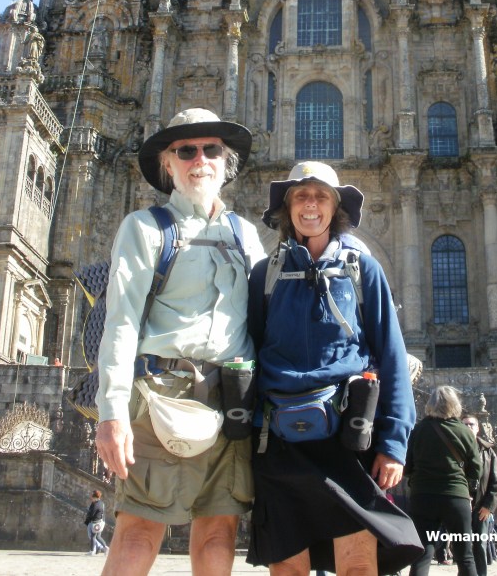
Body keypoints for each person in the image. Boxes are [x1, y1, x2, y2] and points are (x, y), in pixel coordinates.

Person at [95, 108, 266, 576]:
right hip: (159, 397)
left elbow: (267, 320)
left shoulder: (246, 236)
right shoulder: (145, 228)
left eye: (211, 149)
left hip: (232, 401)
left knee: (217, 537)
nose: (199, 159)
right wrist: (111, 413)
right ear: (168, 164)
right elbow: (122, 323)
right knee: (137, 534)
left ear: (225, 161)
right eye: (185, 150)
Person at [246, 161, 423, 575]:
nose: (311, 205)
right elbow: (249, 352)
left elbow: (393, 356)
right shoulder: (264, 275)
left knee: (358, 563)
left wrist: (393, 443)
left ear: (335, 207)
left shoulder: (363, 270)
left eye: (321, 196)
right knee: (287, 566)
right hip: (278, 437)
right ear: (287, 208)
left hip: (348, 434)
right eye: (301, 196)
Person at [405, 385, 481, 576]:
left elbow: (406, 466)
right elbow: (476, 469)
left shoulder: (419, 430)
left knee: (422, 554)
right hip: (456, 497)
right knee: (465, 556)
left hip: (423, 497)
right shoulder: (464, 431)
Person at [461, 415, 497, 576]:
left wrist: (488, 507)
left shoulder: (488, 451)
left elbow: (495, 481)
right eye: (465, 424)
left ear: (478, 428)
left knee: (480, 546)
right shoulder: (455, 449)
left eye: (472, 424)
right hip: (461, 505)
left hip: (480, 507)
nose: (469, 427)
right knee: (462, 546)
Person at [84, 489, 109, 556]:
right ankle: (105, 548)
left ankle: (92, 551)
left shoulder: (96, 505)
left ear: (95, 497)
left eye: (92, 495)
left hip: (96, 523)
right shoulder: (100, 503)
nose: (91, 497)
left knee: (93, 537)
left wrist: (87, 521)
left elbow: (91, 514)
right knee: (98, 537)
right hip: (100, 522)